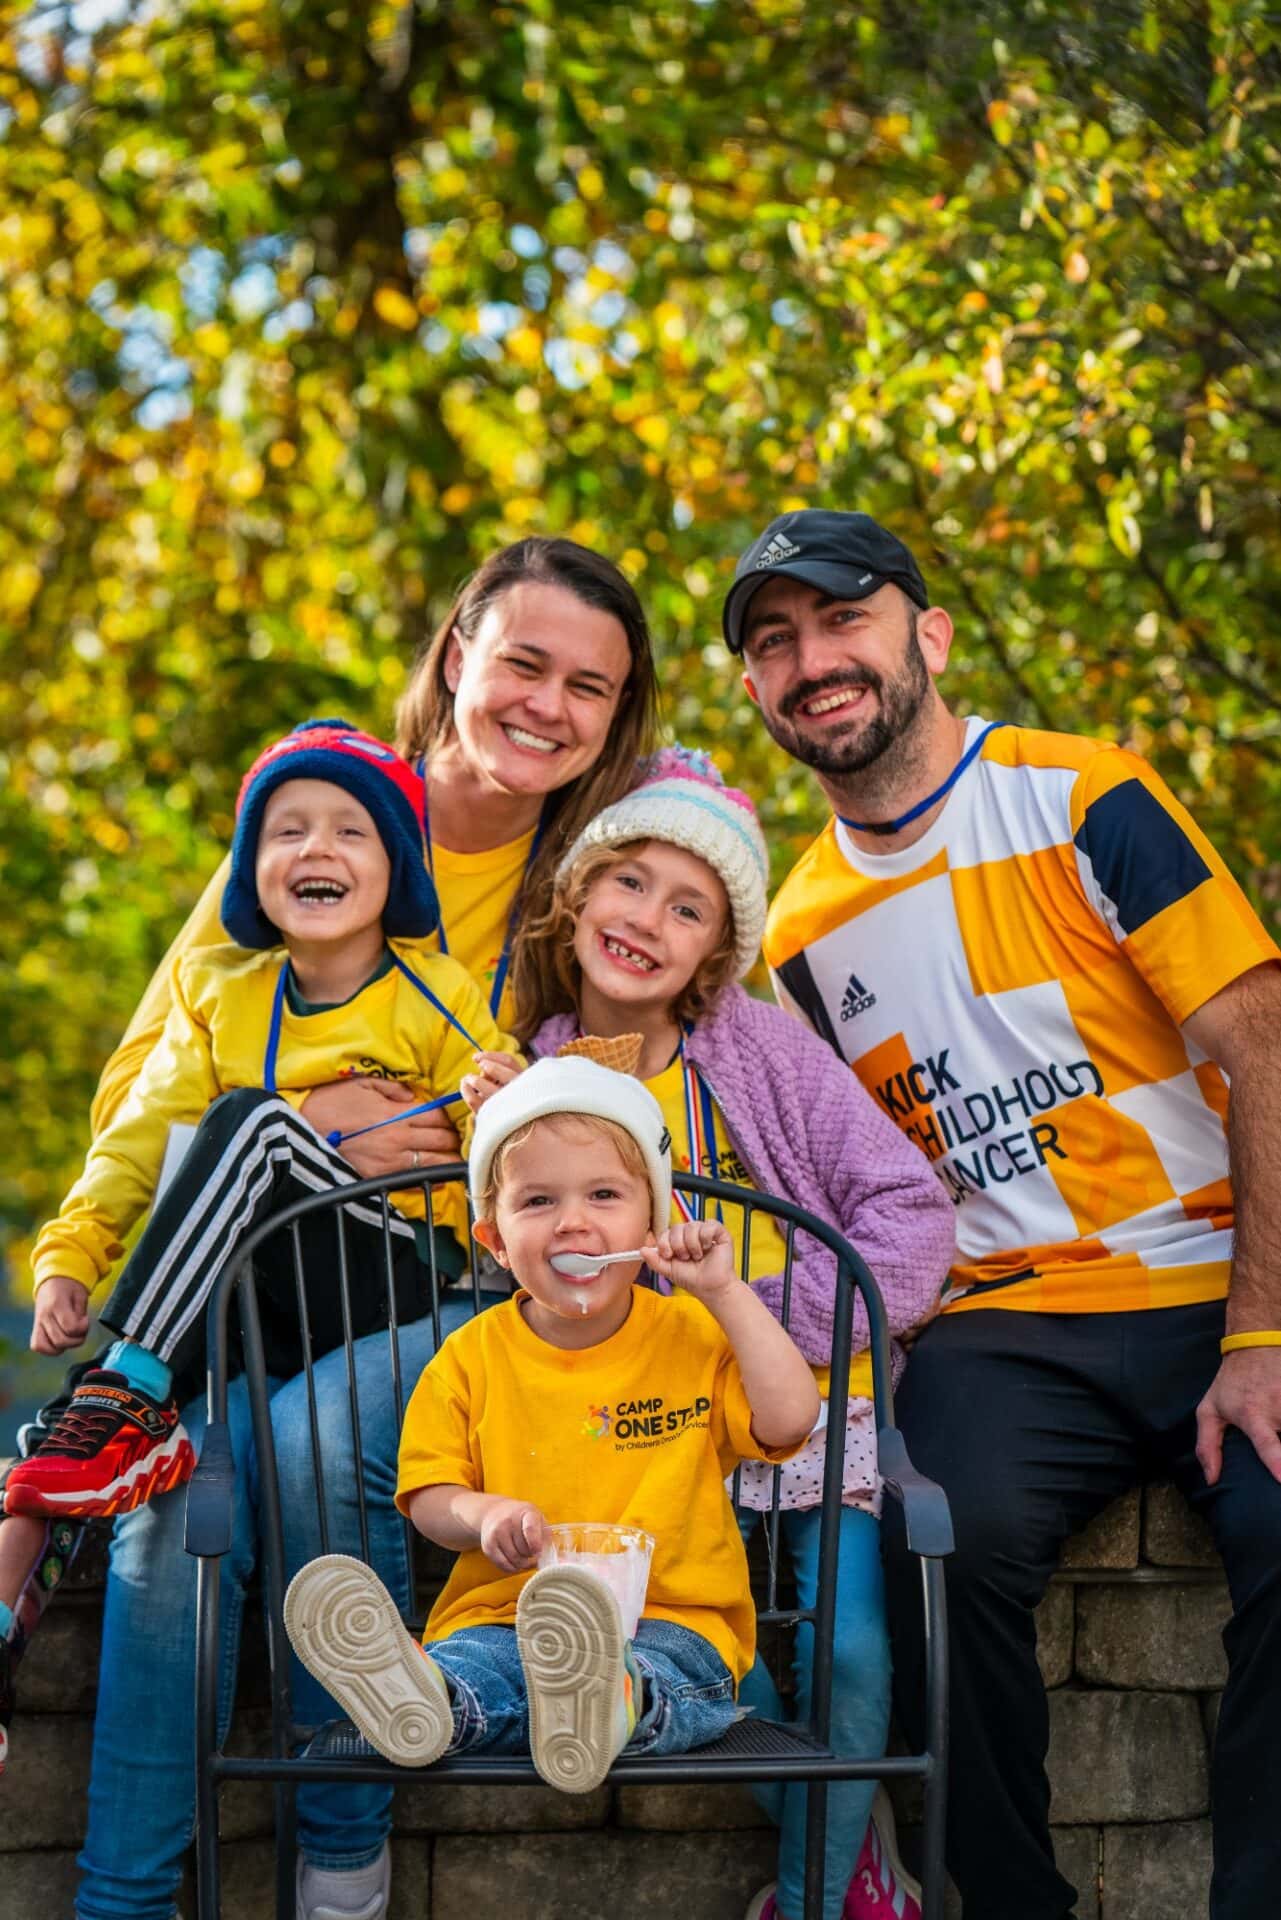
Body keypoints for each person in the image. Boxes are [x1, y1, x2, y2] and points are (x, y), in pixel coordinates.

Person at [48, 538, 660, 1920]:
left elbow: (598, 1109)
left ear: (618, 720)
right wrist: (299, 1129)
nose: (547, 706)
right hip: (251, 1271)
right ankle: (125, 1896)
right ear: (456, 654)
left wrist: (442, 1135)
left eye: (590, 688)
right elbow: (156, 1086)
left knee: (290, 1441)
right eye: (522, 663)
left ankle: (339, 1853)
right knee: (171, 1495)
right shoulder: (313, 820)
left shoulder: (600, 877)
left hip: (438, 1286)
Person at [723, 507, 1281, 1920]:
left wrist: (1263, 1330)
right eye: (774, 643)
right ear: (754, 693)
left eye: (842, 618)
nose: (813, 661)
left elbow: (1263, 1042)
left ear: (929, 632)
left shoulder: (1084, 794)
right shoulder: (789, 936)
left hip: (1218, 1274)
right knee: (931, 1548)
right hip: (1007, 1323)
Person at [464, 748, 954, 1920]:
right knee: (703, 1667)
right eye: (629, 884)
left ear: (716, 953)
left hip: (801, 1411)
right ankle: (849, 1847)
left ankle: (815, 1896)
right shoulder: (532, 1077)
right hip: (641, 1438)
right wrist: (498, 1145)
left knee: (842, 1655)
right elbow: (524, 1294)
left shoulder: (764, 1052)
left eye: (689, 909)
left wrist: (758, 1317)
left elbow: (913, 1222)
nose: (648, 920)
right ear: (580, 895)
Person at [6, 719, 509, 1523]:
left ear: (396, 870)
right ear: (251, 870)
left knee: (255, 1124)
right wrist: (70, 1251)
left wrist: (499, 1107)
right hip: (254, 1289)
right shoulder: (218, 993)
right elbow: (142, 1133)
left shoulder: (435, 992)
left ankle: (124, 1386)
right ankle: (33, 1562)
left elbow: (500, 1141)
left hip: (383, 1271)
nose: (316, 849)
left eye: (351, 831)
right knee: (98, 1452)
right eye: (288, 832)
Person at [284, 1055, 820, 1795]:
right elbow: (431, 1497)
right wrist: (485, 1515)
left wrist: (725, 1293)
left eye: (604, 1194)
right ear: (496, 1241)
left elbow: (791, 1417)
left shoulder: (693, 1334)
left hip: (676, 1620)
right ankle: (427, 1700)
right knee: (478, 1667)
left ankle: (612, 1700)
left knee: (669, 1678)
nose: (573, 1220)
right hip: (504, 1616)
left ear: (651, 1222)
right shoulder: (468, 1356)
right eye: (537, 1201)